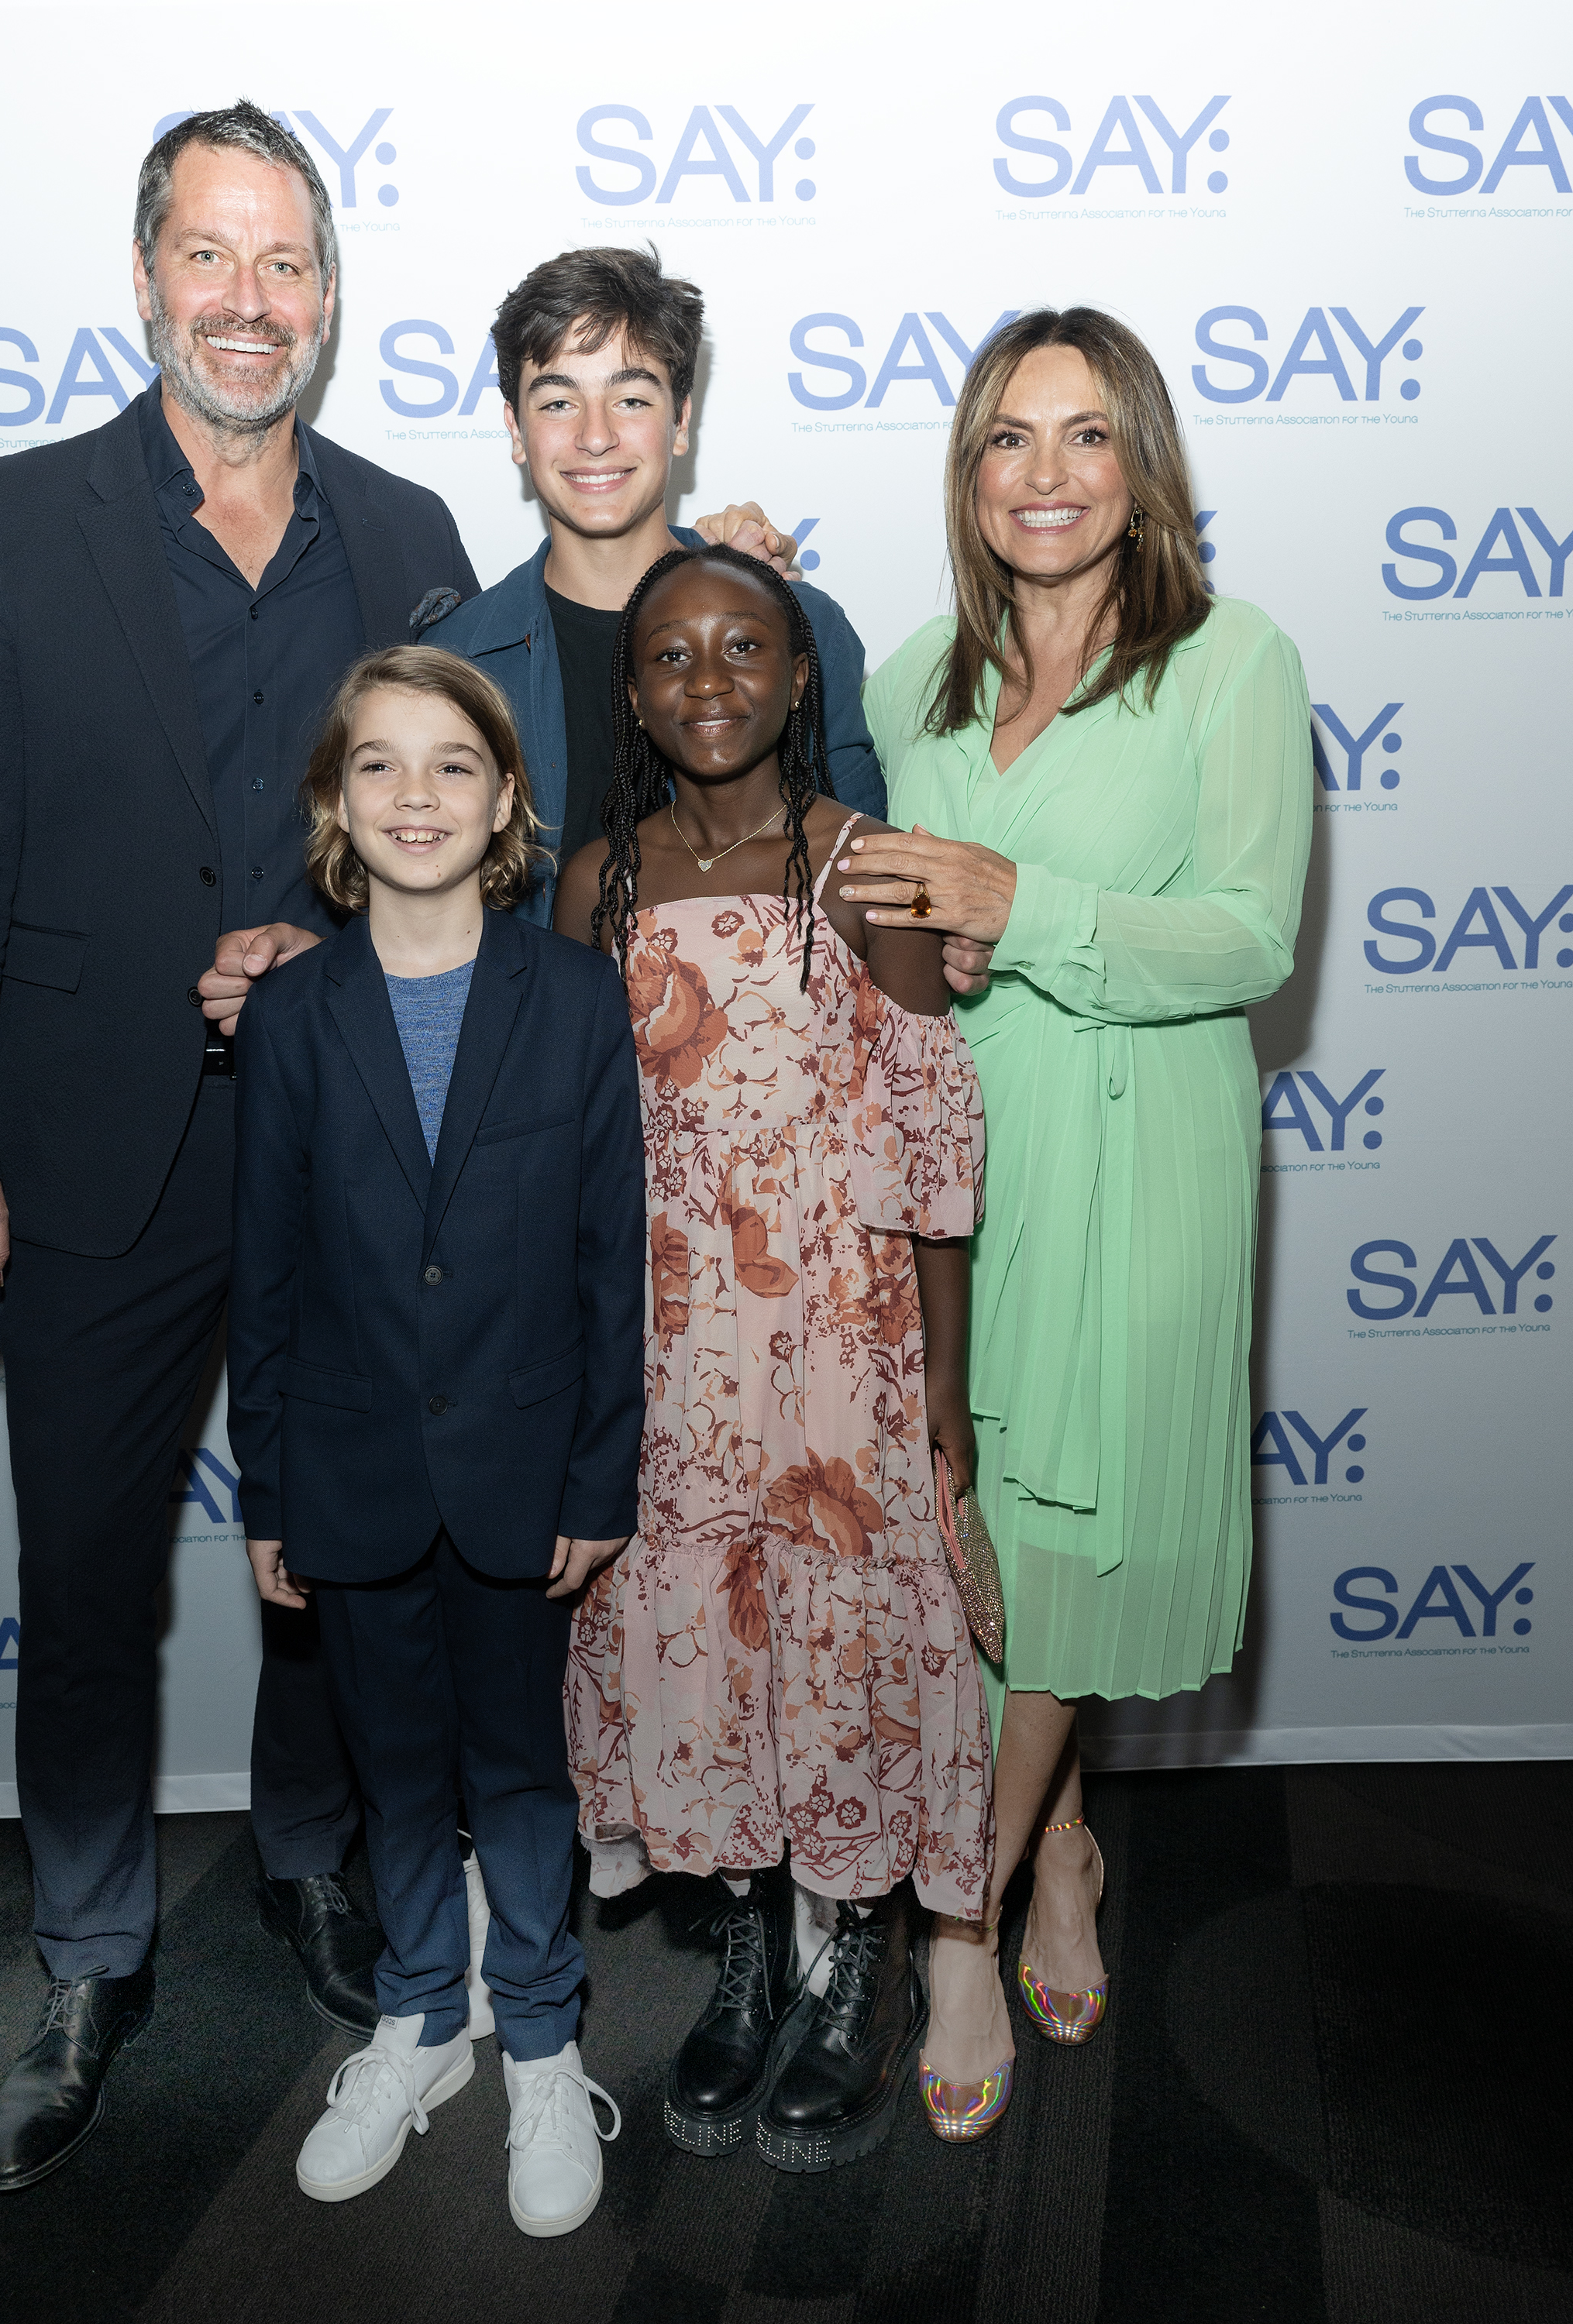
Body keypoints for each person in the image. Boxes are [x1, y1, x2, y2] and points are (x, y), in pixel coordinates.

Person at [0, 101, 480, 2193]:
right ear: (146, 278)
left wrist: (323, 947)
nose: (250, 302)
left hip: (344, 1151)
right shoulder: (13, 515)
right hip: (80, 1149)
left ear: (327, 292)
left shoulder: (409, 533)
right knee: (80, 1579)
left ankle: (309, 1866)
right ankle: (85, 1947)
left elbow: (478, 836)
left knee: (334, 1558)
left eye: (286, 263)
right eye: (211, 259)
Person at [835, 308, 1313, 2138]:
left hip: (1144, 1153)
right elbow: (836, 860)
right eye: (1003, 440)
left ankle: (956, 1909)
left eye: (1083, 435)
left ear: (1140, 467)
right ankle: (1062, 1848)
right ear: (964, 475)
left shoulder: (1227, 663)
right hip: (962, 1158)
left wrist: (1016, 900)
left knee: (1063, 1544)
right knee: (974, 1530)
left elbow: (1249, 935)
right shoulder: (908, 682)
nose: (1041, 474)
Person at [555, 544, 991, 2172]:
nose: (712, 680)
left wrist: (939, 1396)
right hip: (670, 1351)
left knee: (851, 1657)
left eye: (748, 648)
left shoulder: (864, 864)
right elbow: (576, 1142)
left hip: (841, 1349)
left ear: (806, 679)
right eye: (673, 656)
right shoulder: (597, 871)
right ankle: (745, 1955)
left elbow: (935, 1146)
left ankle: (855, 1968)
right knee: (701, 1653)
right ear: (635, 691)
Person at [228, 645, 643, 2235]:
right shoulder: (291, 1019)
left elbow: (617, 1261)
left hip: (527, 1471)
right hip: (346, 1470)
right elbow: (263, 1276)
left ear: (507, 799)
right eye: (381, 766)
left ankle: (539, 2033)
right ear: (336, 803)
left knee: (523, 1774)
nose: (418, 795)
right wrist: (269, 1484)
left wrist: (600, 1474)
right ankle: (421, 2019)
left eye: (453, 764)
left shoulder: (573, 997)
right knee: (394, 1773)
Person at [430, 244, 885, 922]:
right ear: (516, 430)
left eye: (631, 398)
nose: (595, 436)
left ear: (681, 422)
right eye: (558, 401)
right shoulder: (454, 660)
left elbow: (869, 886)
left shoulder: (800, 626)